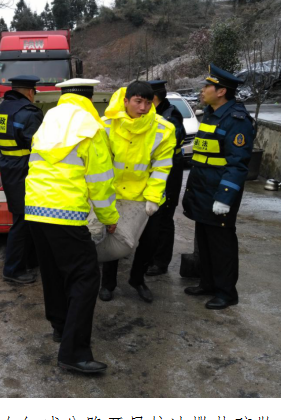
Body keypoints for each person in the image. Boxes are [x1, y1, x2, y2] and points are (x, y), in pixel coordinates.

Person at [25, 78, 119, 374]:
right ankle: (74, 352)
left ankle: (60, 325)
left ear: (64, 97)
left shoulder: (47, 122)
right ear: (89, 99)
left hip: (34, 210)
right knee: (85, 277)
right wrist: (109, 218)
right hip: (65, 213)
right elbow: (100, 182)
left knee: (52, 271)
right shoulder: (91, 127)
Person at [182, 64, 254, 310]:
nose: (202, 90)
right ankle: (208, 283)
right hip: (202, 189)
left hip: (218, 192)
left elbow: (238, 164)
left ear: (221, 91)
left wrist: (225, 197)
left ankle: (226, 292)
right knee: (204, 241)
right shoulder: (212, 114)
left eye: (207, 86)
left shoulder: (237, 120)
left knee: (221, 244)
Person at [98, 81, 176, 303]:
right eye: (138, 101)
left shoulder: (163, 129)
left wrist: (153, 198)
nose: (143, 107)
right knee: (112, 240)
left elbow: (161, 167)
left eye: (148, 102)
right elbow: (100, 164)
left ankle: (137, 279)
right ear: (126, 101)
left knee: (149, 241)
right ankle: (108, 284)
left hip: (145, 196)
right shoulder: (106, 125)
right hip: (115, 194)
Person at [128, 80, 186, 283]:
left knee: (164, 218)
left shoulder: (170, 116)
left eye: (146, 100)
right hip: (153, 173)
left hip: (169, 172)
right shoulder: (153, 115)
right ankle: (150, 257)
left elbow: (170, 142)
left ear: (153, 99)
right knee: (154, 220)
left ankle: (160, 262)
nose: (142, 106)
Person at [0, 75, 44, 284]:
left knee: (23, 217)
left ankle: (29, 260)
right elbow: (40, 146)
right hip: (24, 169)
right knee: (22, 220)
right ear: (31, 92)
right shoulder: (29, 112)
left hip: (8, 166)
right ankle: (12, 270)